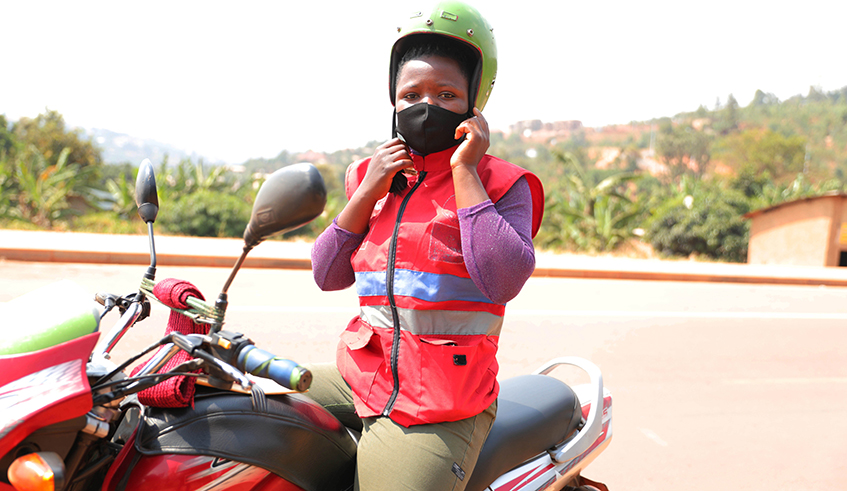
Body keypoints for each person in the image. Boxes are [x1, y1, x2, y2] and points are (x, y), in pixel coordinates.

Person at [308, 2, 544, 489]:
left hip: (443, 400)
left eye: (446, 94)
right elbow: (328, 274)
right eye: (411, 94)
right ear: (392, 100)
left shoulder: (503, 183)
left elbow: (503, 279)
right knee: (243, 414)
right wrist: (368, 191)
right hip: (362, 377)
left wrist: (465, 170)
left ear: (474, 101)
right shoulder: (370, 175)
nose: (426, 106)